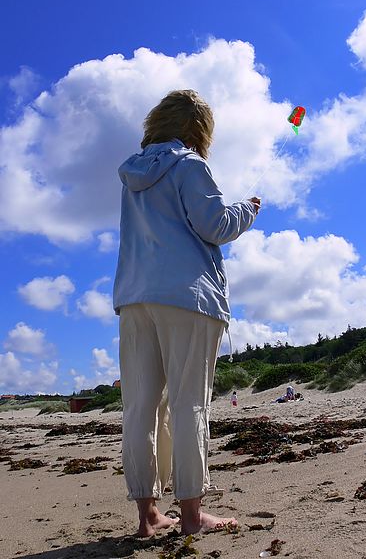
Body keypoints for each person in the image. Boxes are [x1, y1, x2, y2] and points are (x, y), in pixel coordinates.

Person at [113, 89, 261, 537]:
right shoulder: (190, 165)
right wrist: (247, 210)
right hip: (188, 296)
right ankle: (193, 517)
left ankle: (148, 517)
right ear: (197, 130)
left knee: (141, 408)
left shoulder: (132, 175)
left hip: (136, 297)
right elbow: (214, 225)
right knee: (188, 403)